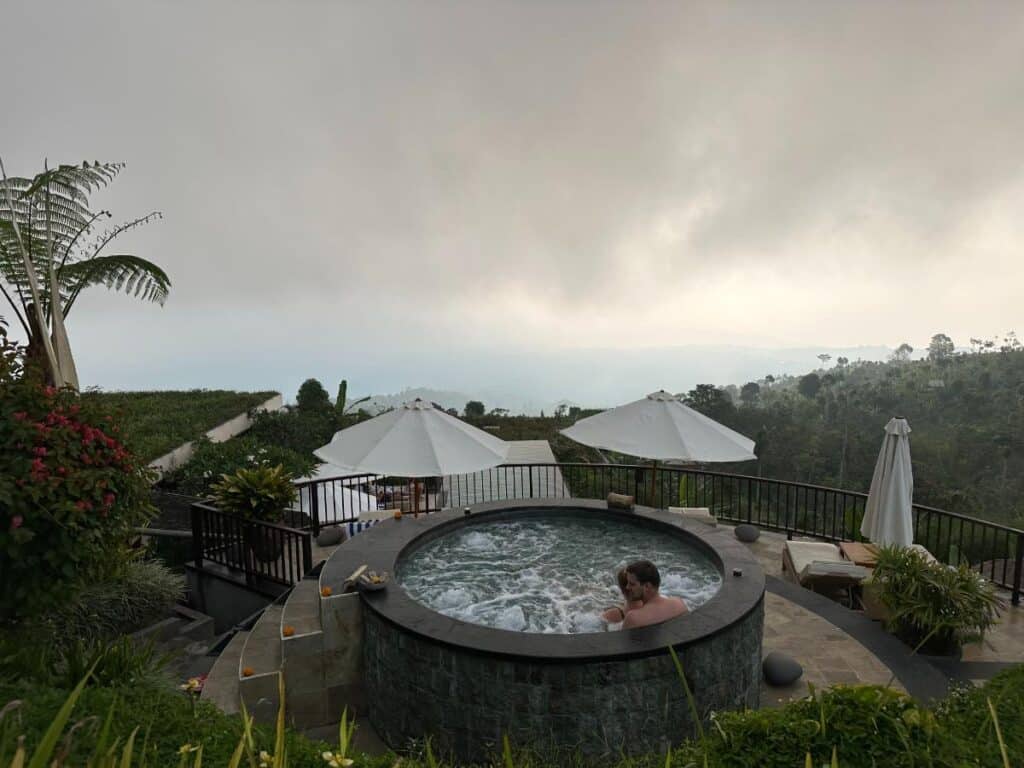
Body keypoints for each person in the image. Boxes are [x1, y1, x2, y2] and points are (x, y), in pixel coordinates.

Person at [620, 560, 687, 629]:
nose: (627, 587)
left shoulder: (633, 618)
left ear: (647, 586)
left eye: (632, 584)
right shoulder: (678, 603)